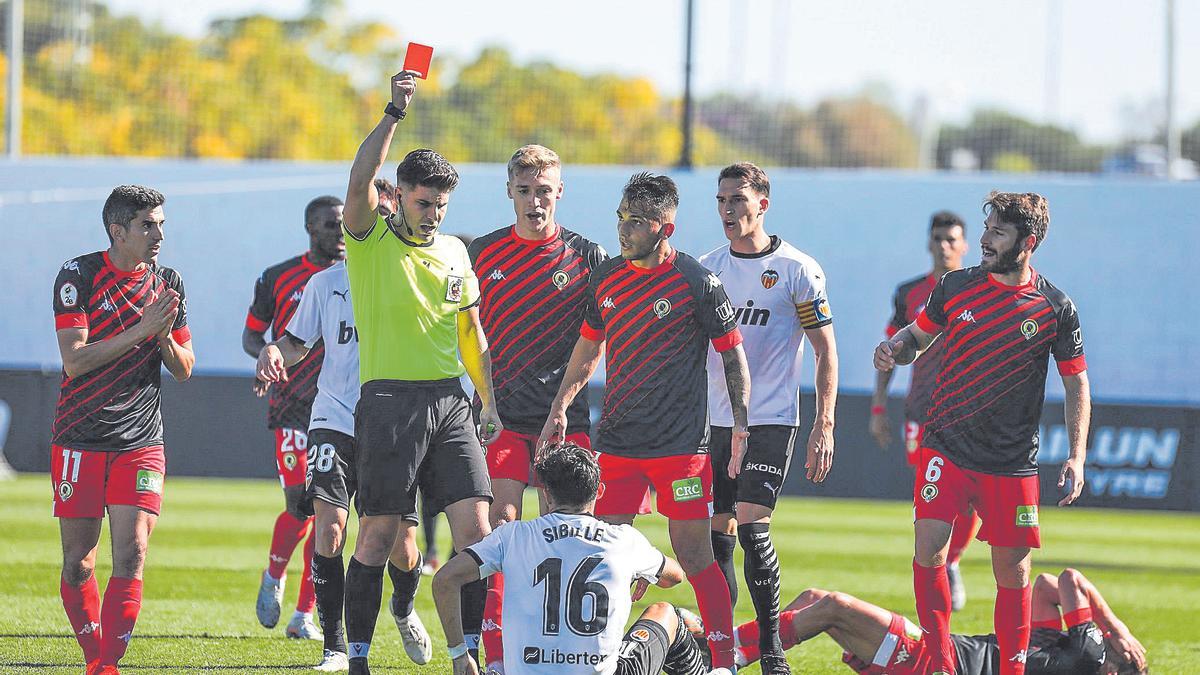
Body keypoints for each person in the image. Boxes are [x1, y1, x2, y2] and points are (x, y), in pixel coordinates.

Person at [874, 191, 1091, 675]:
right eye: (987, 228)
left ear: (1027, 242)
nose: (986, 240)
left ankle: (1011, 670)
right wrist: (895, 348)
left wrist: (1076, 456)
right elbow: (917, 336)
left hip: (1010, 462)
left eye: (998, 232)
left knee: (1012, 574)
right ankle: (941, 661)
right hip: (945, 447)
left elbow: (1077, 383)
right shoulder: (955, 286)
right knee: (928, 551)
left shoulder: (1055, 307)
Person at [540, 172, 750, 669]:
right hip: (617, 447)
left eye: (636, 221)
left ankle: (722, 660)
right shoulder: (606, 277)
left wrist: (740, 423)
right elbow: (588, 348)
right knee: (606, 555)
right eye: (621, 217)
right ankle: (600, 654)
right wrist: (560, 406)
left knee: (695, 556)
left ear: (665, 229)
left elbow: (733, 356)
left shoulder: (697, 282)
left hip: (682, 451)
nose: (623, 229)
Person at [340, 69, 501, 675]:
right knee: (380, 536)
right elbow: (357, 180)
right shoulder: (369, 239)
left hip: (451, 402)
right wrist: (393, 111)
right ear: (399, 195)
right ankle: (356, 657)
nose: (432, 213)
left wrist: (487, 400)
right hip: (388, 402)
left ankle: (469, 655)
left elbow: (470, 332)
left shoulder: (456, 250)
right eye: (423, 201)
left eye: (440, 205)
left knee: (478, 536)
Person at [467, 144, 608, 672]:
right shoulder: (481, 253)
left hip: (565, 421)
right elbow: (462, 328)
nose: (534, 202)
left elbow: (597, 340)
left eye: (543, 191)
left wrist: (566, 404)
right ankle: (499, 655)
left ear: (560, 193)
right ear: (510, 192)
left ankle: (559, 653)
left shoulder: (588, 257)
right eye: (524, 191)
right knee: (500, 530)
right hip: (503, 418)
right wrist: (481, 399)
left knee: (563, 534)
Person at [255, 254, 431, 671]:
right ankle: (333, 646)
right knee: (329, 529)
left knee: (402, 548)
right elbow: (295, 342)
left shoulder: (417, 277)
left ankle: (403, 607)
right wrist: (274, 352)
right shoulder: (326, 283)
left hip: (391, 423)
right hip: (332, 417)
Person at [698, 162, 839, 674]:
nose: (728, 210)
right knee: (718, 533)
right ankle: (723, 653)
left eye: (738, 199)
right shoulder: (707, 268)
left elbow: (826, 351)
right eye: (721, 200)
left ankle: (771, 648)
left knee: (753, 525)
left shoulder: (798, 270)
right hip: (713, 420)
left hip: (771, 419)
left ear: (763, 203)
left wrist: (824, 424)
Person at [51, 185, 194, 674]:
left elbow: (184, 366)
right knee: (79, 564)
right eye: (148, 225)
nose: (159, 235)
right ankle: (95, 657)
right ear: (118, 230)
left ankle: (107, 666)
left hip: (141, 440)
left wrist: (162, 338)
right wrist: (141, 329)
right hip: (80, 436)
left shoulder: (168, 282)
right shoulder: (79, 275)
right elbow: (74, 361)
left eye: (161, 225)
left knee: (132, 553)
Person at [433, 442, 731, 675]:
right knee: (667, 613)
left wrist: (460, 655)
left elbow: (445, 580)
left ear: (547, 494)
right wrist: (642, 570)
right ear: (599, 491)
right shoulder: (623, 540)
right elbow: (675, 576)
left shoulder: (513, 536)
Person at [720, 568, 1146, 675]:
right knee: (815, 600)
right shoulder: (1059, 647)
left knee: (831, 604)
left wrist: (1116, 627)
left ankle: (728, 652)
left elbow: (1070, 580)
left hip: (933, 663)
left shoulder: (1090, 657)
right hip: (934, 655)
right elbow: (1045, 584)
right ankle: (729, 644)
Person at [244, 194, 344, 639]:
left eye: (343, 223)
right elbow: (252, 335)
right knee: (298, 506)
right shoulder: (278, 277)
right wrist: (267, 359)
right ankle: (273, 574)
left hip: (341, 409)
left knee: (327, 514)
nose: (340, 232)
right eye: (330, 225)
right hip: (291, 408)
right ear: (311, 228)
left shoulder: (359, 275)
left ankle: (305, 616)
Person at [869, 210, 980, 611]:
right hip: (922, 410)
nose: (945, 246)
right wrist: (879, 406)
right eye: (938, 238)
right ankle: (937, 564)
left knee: (967, 498)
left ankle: (950, 561)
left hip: (968, 412)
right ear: (929, 243)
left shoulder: (979, 289)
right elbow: (892, 349)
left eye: (952, 239)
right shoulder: (909, 293)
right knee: (931, 492)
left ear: (965, 245)